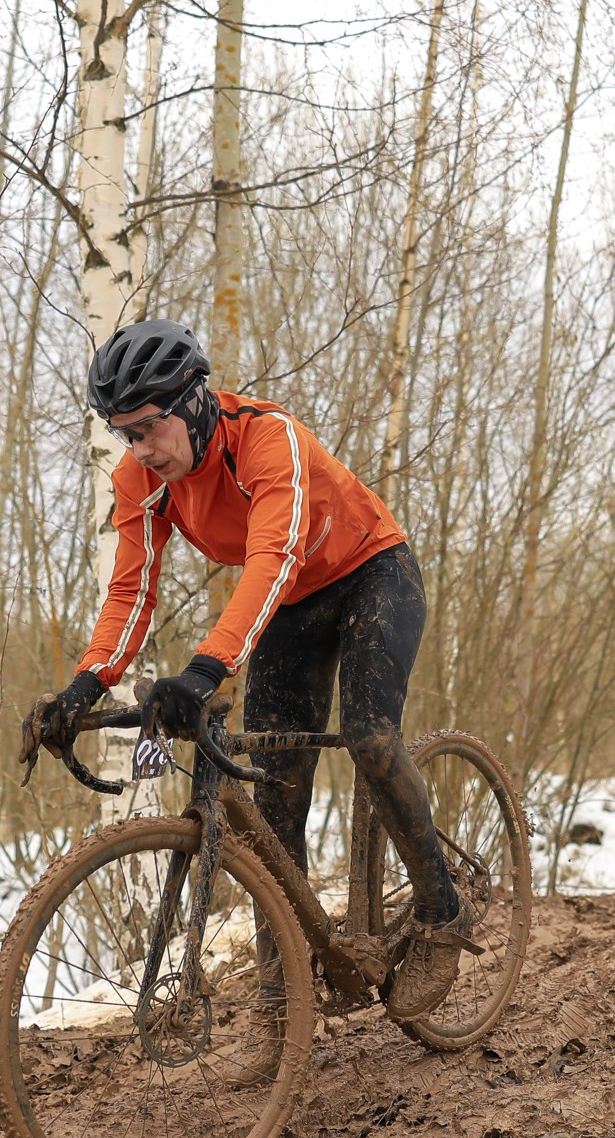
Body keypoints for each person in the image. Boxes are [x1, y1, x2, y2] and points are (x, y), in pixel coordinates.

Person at [23, 320, 472, 1018]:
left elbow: (273, 559)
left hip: (370, 573)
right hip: (292, 605)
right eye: (123, 433)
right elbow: (131, 591)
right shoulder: (139, 478)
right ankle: (281, 1002)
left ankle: (444, 917)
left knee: (370, 737)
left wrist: (206, 669)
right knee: (275, 797)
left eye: (148, 427)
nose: (140, 448)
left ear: (193, 398)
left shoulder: (268, 437)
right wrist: (86, 685)